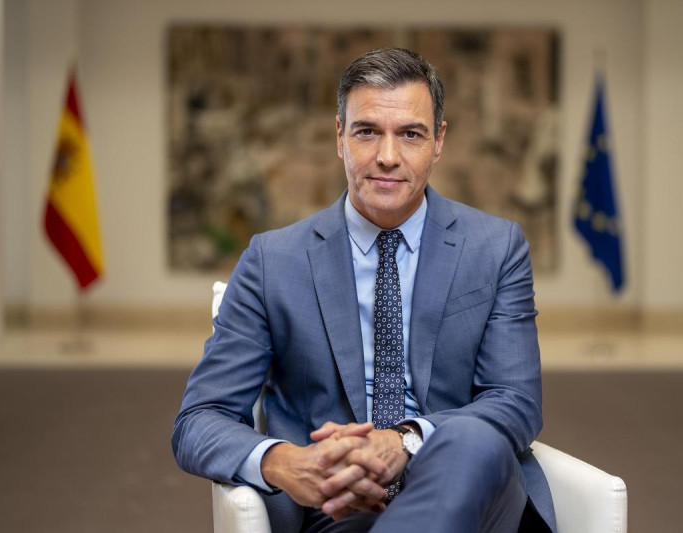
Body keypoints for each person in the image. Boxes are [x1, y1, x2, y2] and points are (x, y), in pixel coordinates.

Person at [173, 47, 555, 533]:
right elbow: (199, 419)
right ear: (340, 137)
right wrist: (285, 461)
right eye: (367, 131)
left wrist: (404, 441)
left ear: (438, 141)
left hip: (475, 495)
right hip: (341, 511)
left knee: (473, 441)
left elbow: (515, 402)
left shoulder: (496, 248)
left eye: (410, 134)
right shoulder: (273, 262)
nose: (387, 157)